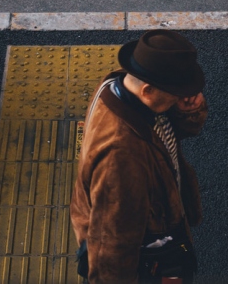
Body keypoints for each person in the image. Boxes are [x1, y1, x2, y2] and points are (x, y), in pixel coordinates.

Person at [71, 29, 208, 284]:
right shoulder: (121, 156)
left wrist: (188, 110)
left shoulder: (117, 86)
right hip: (154, 255)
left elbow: (177, 133)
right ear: (147, 91)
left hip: (160, 230)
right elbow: (112, 243)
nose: (182, 97)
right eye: (176, 94)